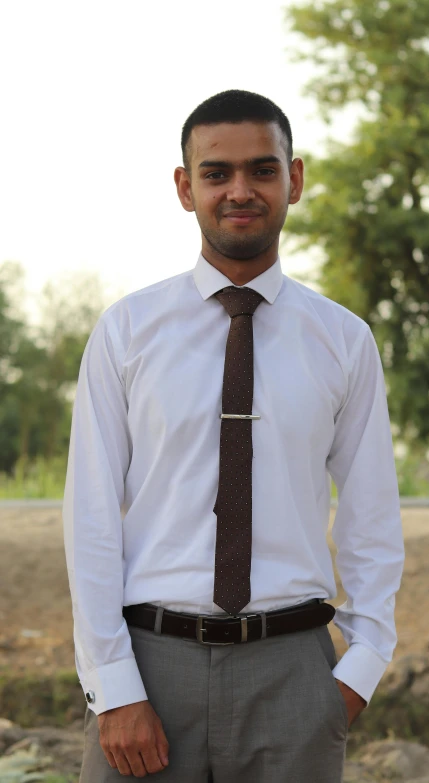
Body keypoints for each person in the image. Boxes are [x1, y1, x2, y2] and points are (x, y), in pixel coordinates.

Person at [63, 89, 405, 782]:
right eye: (217, 173)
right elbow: (91, 518)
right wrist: (114, 685)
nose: (240, 190)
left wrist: (357, 670)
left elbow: (372, 517)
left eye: (262, 169)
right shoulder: (126, 332)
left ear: (295, 179)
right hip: (152, 666)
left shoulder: (343, 341)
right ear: (186, 188)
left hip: (295, 672)